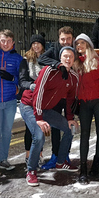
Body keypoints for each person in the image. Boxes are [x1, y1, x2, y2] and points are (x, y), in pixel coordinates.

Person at [20, 46, 79, 186]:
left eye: (71, 56)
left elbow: (70, 99)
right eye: (65, 56)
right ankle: (31, 171)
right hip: (29, 105)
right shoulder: (48, 71)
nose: (68, 59)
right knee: (39, 136)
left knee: (69, 128)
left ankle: (60, 162)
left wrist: (70, 118)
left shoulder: (73, 77)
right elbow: (38, 93)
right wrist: (39, 119)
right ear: (60, 58)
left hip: (45, 109)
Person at [74, 33, 99, 184]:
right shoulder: (76, 63)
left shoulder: (97, 61)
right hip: (84, 103)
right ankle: (83, 169)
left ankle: (96, 163)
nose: (79, 46)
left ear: (88, 45)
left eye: (82, 43)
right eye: (77, 44)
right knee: (84, 135)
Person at [0, 29, 22, 179]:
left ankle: (3, 159)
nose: (6, 44)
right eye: (3, 41)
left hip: (10, 101)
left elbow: (22, 79)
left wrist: (12, 79)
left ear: (13, 42)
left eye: (9, 41)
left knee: (7, 133)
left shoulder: (17, 58)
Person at [38, 26, 74, 169]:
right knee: (55, 128)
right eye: (63, 39)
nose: (65, 42)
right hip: (56, 96)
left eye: (68, 39)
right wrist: (57, 64)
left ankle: (65, 155)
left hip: (70, 94)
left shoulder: (74, 51)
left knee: (69, 125)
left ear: (72, 39)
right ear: (58, 39)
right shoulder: (54, 49)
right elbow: (41, 58)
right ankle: (54, 155)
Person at [19, 34, 46, 166]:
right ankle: (28, 155)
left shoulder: (47, 58)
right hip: (29, 98)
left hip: (43, 99)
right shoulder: (26, 60)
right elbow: (22, 80)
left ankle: (39, 154)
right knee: (30, 129)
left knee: (41, 127)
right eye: (33, 43)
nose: (36, 45)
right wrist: (31, 85)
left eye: (38, 43)